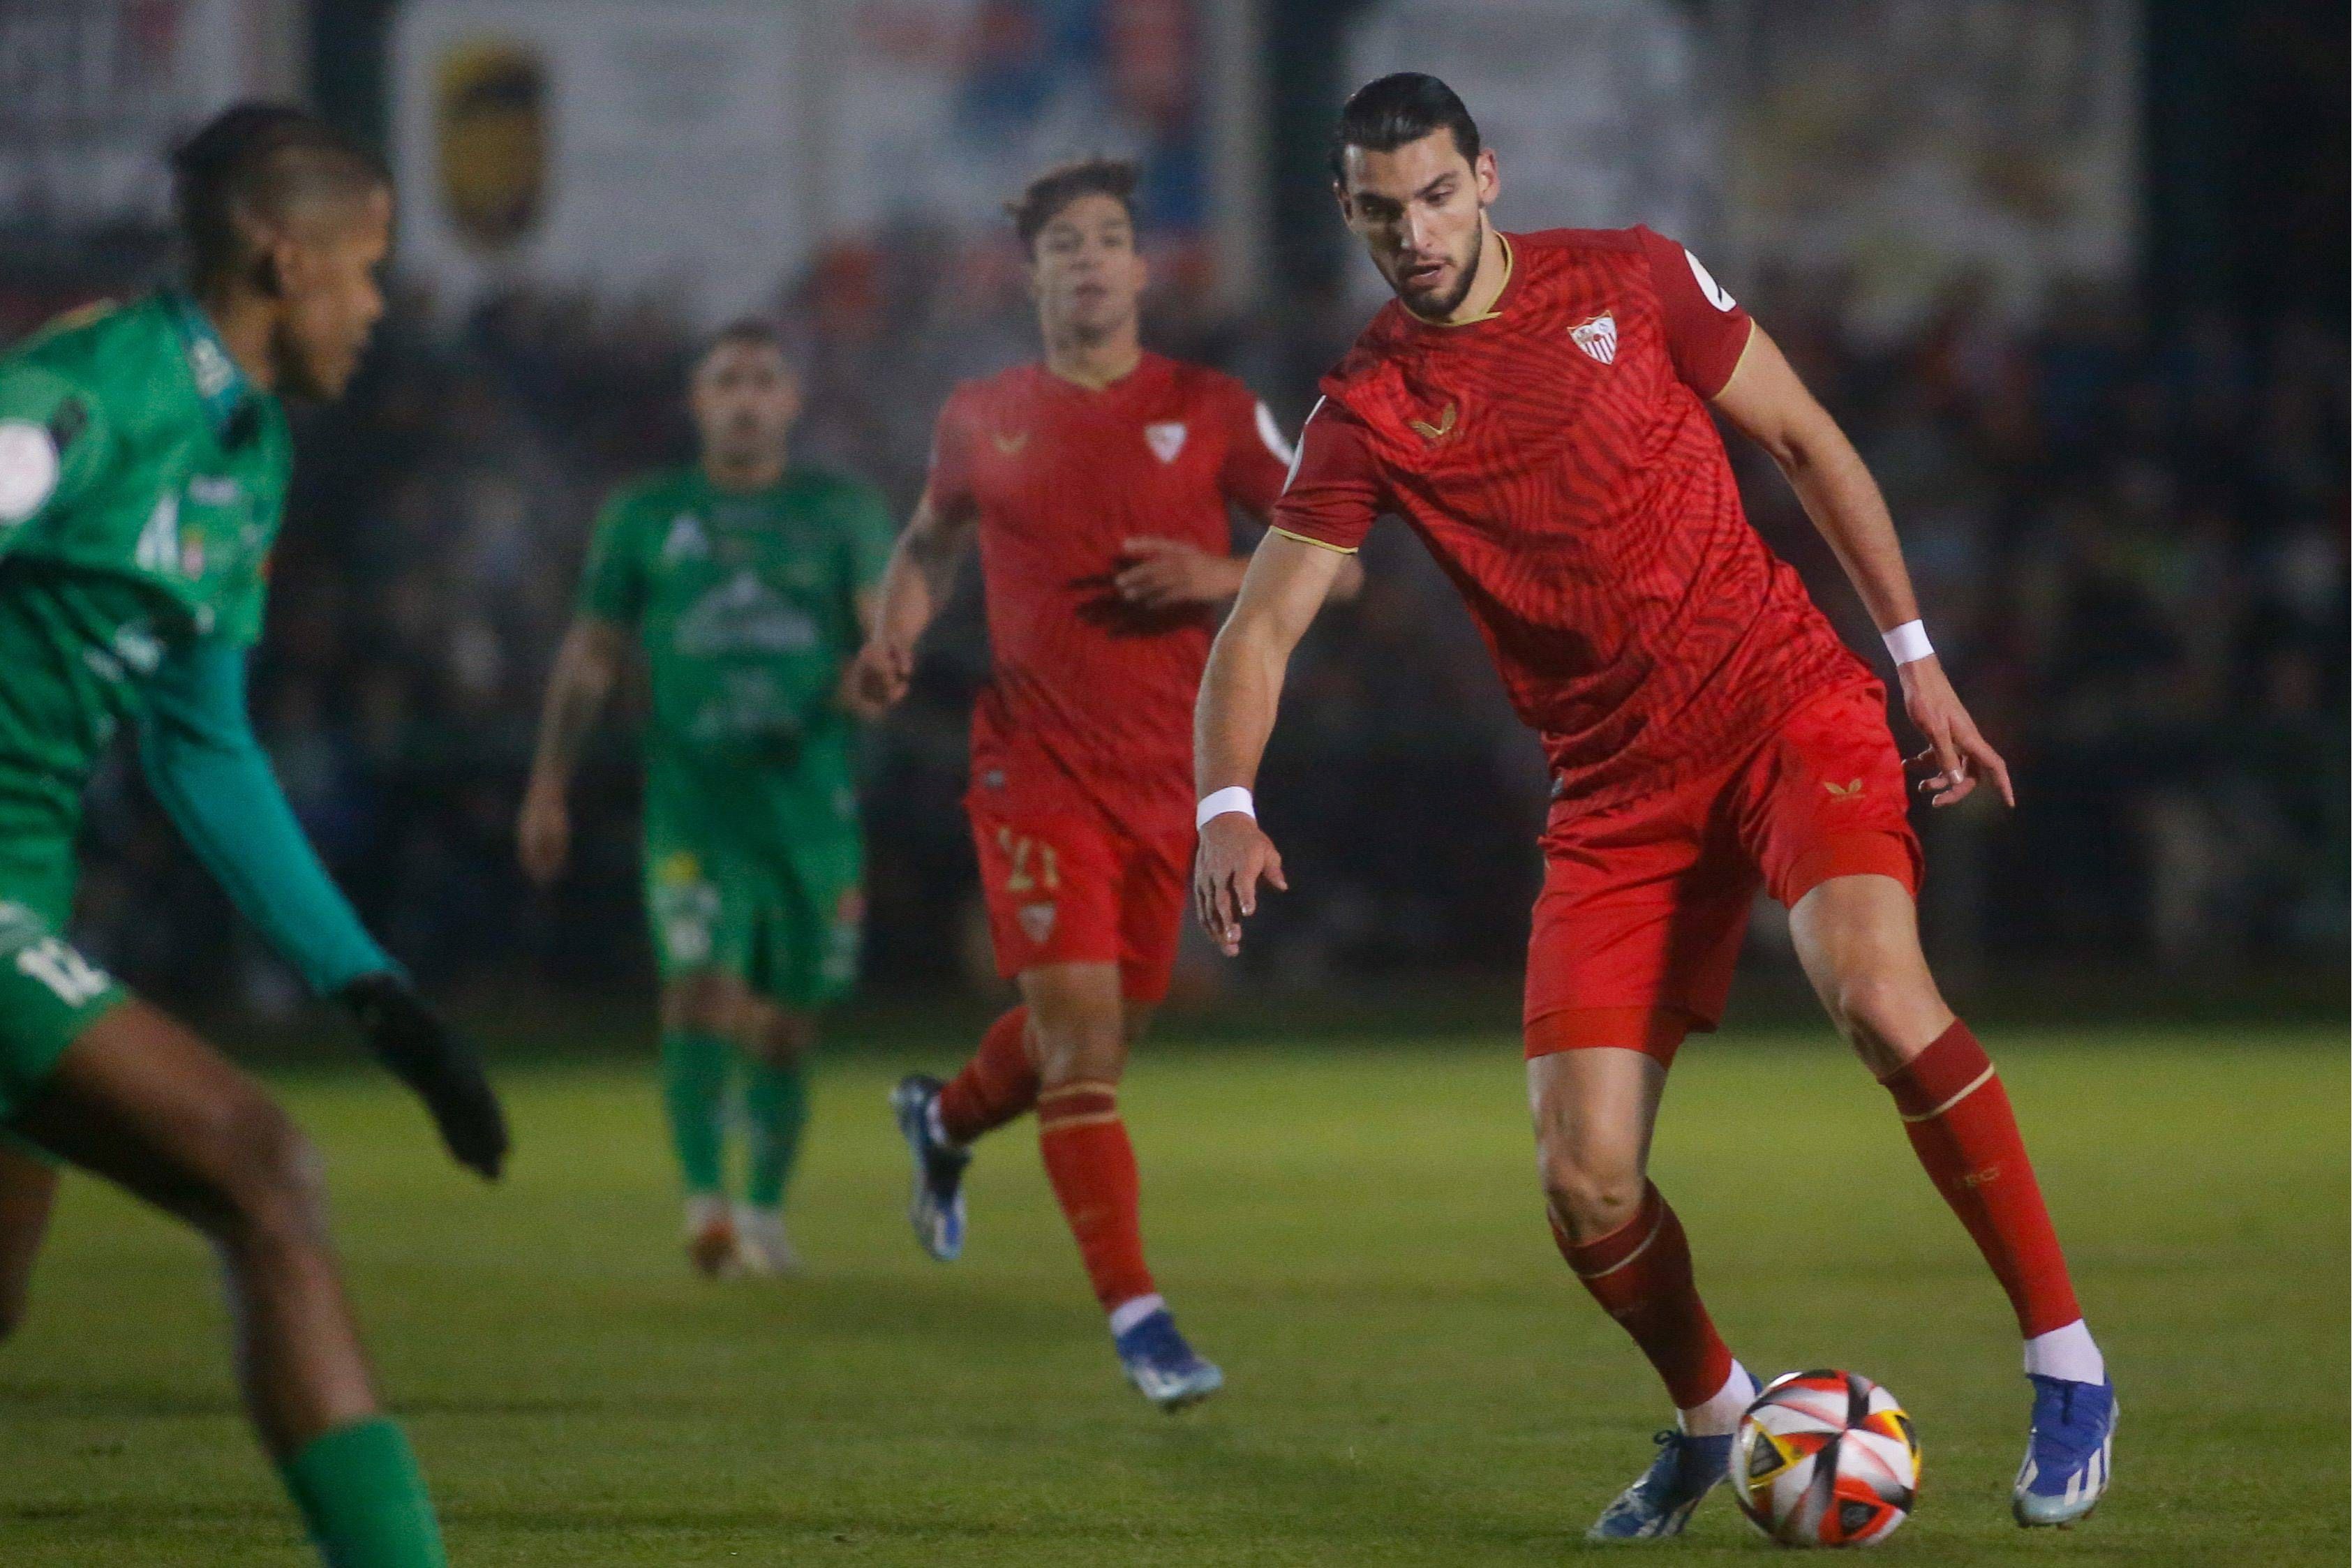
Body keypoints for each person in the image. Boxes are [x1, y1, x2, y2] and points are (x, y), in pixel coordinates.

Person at [1193, 74, 2113, 1535]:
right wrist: (1226, 802)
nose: (1413, 234)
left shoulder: (1627, 274)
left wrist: (1917, 662)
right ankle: (1709, 1413)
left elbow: (1806, 440)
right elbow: (1258, 630)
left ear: (1485, 177)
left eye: (1435, 195)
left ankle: (2066, 1361)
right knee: (1582, 1176)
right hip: (1613, 789)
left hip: (1780, 703)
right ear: (1345, 214)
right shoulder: (1367, 406)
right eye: (1379, 213)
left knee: (1875, 993)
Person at [0, 103, 507, 1568]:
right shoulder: (97, 389)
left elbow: (205, 749)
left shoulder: (246, 455)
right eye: (367, 268)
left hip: (32, 881)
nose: (380, 304)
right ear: (285, 257)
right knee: (262, 1169)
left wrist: (377, 994)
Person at [844, 158, 1359, 1410]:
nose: (1087, 258)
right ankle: (1142, 1322)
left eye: (1109, 238)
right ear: (1030, 277)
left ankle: (948, 1121)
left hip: (1169, 783)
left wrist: (1212, 575)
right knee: (1081, 1046)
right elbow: (927, 541)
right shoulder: (982, 413)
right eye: (1063, 242)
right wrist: (892, 627)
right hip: (1033, 769)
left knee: (1097, 1044)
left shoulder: (1214, 407)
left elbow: (1333, 566)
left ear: (1141, 268)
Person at [519, 322, 893, 1277]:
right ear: (697, 403)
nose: (744, 397)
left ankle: (764, 1207)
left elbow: (881, 639)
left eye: (763, 380)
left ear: (790, 403)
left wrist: (873, 676)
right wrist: (549, 783)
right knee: (698, 992)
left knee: (783, 1022)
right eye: (725, 380)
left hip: (809, 809)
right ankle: (705, 1205)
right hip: (694, 805)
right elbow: (594, 649)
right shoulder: (645, 513)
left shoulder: (839, 510)